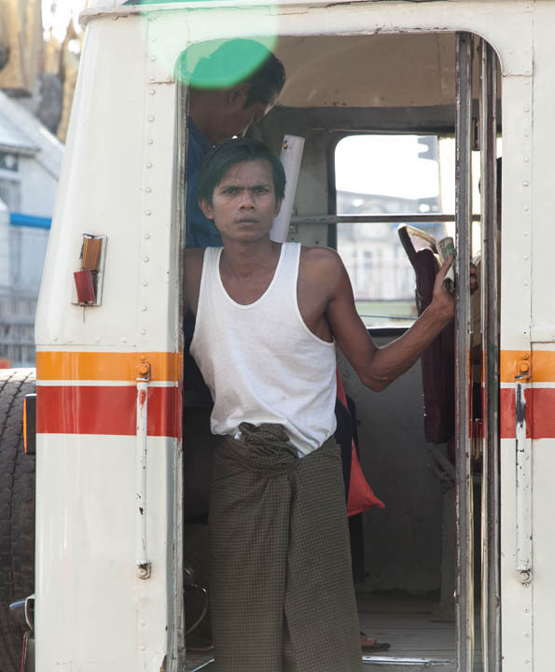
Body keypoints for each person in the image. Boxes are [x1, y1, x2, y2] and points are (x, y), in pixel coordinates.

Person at [184, 137, 455, 672]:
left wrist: (438, 316)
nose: (246, 202)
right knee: (242, 628)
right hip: (236, 469)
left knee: (321, 626)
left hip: (313, 465)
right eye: (231, 191)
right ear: (205, 206)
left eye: (260, 190)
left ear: (278, 203)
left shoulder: (318, 269)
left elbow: (375, 373)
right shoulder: (187, 272)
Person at [177, 39, 286, 248]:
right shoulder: (187, 154)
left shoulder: (193, 148)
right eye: (253, 117)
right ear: (237, 94)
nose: (243, 132)